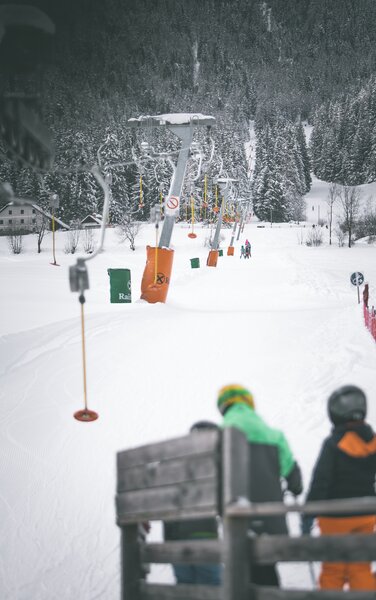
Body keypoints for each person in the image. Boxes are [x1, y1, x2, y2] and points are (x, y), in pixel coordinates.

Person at [217, 384, 303, 587]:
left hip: (237, 520)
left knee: (243, 576)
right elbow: (295, 482)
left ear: (223, 407)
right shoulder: (274, 435)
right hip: (271, 519)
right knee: (267, 572)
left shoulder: (220, 435)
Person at [301, 385, 376, 591]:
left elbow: (321, 481)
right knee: (360, 566)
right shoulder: (373, 442)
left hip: (334, 516)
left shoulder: (333, 444)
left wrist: (308, 514)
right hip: (366, 513)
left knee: (333, 568)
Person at [163, 421, 221, 585]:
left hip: (173, 538)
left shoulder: (170, 461)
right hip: (203, 534)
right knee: (212, 585)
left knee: (184, 584)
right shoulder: (210, 463)